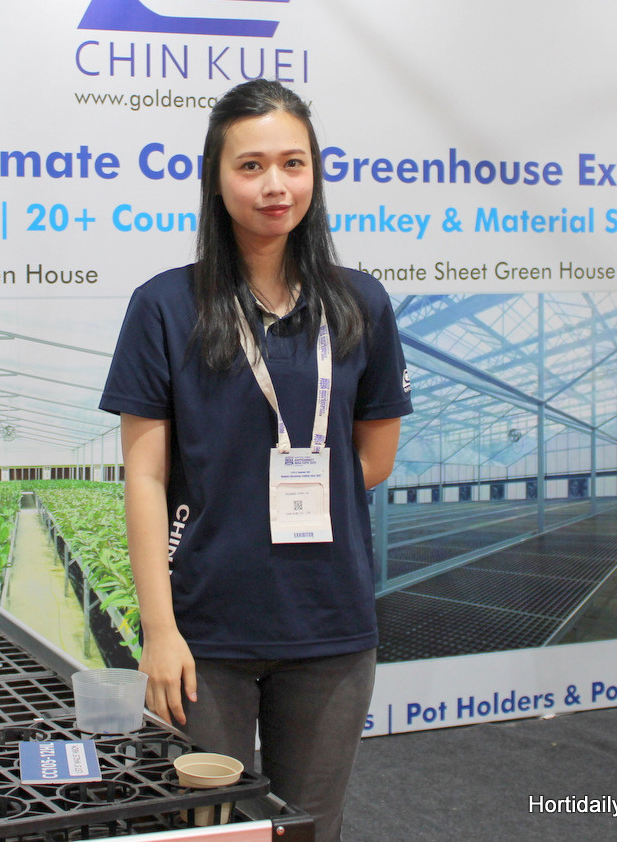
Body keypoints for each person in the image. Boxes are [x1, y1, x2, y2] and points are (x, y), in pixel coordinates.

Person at [99, 79, 412, 842]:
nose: (276, 184)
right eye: (251, 165)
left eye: (293, 163)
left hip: (330, 626)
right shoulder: (165, 306)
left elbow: (375, 457)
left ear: (315, 172)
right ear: (216, 178)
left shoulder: (360, 303)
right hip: (206, 633)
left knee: (311, 827)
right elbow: (145, 477)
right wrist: (160, 629)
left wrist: (295, 495)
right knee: (208, 830)